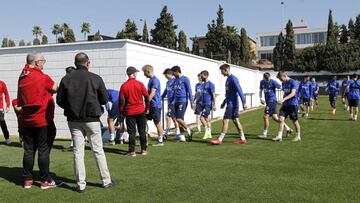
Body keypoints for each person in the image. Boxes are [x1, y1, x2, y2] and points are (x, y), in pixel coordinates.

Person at [56, 52, 116, 193]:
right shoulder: (95, 78)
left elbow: (60, 100)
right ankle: (106, 181)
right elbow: (104, 99)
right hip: (92, 119)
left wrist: (71, 107)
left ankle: (80, 184)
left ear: (76, 63)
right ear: (88, 63)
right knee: (98, 150)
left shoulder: (66, 79)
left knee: (78, 152)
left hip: (74, 120)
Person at [17, 52, 61, 189]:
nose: (43, 63)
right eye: (43, 61)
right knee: (43, 149)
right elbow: (55, 88)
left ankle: (27, 180)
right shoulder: (42, 77)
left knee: (28, 150)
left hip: (26, 120)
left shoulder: (22, 76)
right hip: (41, 120)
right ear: (37, 62)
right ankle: (44, 180)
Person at [211, 64, 247, 145]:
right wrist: (224, 102)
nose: (221, 73)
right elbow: (229, 93)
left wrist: (244, 102)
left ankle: (220, 139)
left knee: (225, 120)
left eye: (222, 71)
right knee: (236, 121)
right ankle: (243, 138)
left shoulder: (233, 79)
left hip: (232, 104)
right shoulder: (228, 79)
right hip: (231, 103)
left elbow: (239, 90)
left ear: (226, 70)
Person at [119, 66, 150, 157]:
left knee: (131, 132)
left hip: (130, 112)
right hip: (140, 110)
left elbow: (121, 101)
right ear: (133, 74)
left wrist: (122, 112)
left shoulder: (124, 86)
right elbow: (146, 96)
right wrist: (147, 107)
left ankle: (132, 151)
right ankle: (143, 150)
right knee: (142, 131)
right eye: (135, 72)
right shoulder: (140, 84)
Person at [258, 72, 292, 139]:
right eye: (266, 80)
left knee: (265, 116)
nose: (267, 81)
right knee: (275, 118)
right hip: (268, 102)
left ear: (270, 77)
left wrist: (283, 97)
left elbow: (281, 87)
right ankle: (288, 128)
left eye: (268, 80)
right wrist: (261, 98)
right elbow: (260, 90)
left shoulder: (273, 82)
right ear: (263, 78)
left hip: (272, 101)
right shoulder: (262, 82)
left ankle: (265, 133)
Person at [273, 71, 301, 142]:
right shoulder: (283, 83)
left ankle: (298, 136)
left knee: (294, 121)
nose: (280, 80)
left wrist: (283, 99)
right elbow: (285, 93)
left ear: (284, 76)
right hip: (285, 105)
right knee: (281, 119)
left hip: (293, 104)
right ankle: (279, 136)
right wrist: (282, 101)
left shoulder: (293, 82)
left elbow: (293, 93)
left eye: (280, 79)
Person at [142, 64, 165, 147]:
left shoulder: (155, 80)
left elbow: (152, 92)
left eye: (144, 72)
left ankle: (160, 140)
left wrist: (146, 102)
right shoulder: (150, 80)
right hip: (150, 105)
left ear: (148, 71)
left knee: (157, 123)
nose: (144, 74)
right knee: (143, 120)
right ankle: (145, 139)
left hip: (155, 105)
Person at [170, 66, 194, 142]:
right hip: (175, 102)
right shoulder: (174, 80)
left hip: (183, 101)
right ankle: (181, 135)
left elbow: (189, 91)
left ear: (177, 71)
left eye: (173, 73)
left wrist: (191, 102)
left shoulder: (185, 79)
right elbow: (174, 92)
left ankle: (189, 129)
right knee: (174, 117)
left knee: (179, 118)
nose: (172, 74)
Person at [61, 66, 78, 152]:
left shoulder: (67, 81)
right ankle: (74, 145)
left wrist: (67, 107)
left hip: (73, 111)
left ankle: (74, 145)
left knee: (75, 131)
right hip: (84, 111)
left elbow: (60, 99)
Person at [161, 68, 180, 140]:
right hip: (169, 102)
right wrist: (161, 97)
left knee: (169, 116)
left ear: (169, 74)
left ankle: (166, 133)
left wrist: (173, 102)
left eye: (165, 75)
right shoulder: (168, 82)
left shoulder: (175, 81)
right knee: (173, 117)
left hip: (174, 102)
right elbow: (166, 90)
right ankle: (177, 132)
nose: (165, 77)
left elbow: (177, 92)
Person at [198, 70, 216, 140]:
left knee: (201, 118)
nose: (200, 77)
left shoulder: (211, 84)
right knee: (207, 119)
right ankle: (209, 134)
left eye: (201, 76)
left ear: (205, 76)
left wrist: (214, 105)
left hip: (208, 104)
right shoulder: (202, 85)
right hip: (202, 104)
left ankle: (206, 132)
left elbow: (213, 95)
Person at [0, 79, 10, 144]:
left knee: (2, 123)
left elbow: (6, 94)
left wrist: (8, 105)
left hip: (0, 109)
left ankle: (7, 138)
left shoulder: (2, 83)